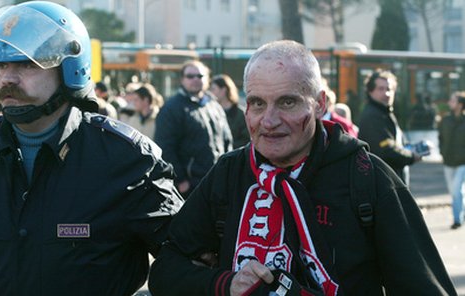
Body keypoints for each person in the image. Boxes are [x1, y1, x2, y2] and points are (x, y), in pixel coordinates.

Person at [148, 40, 456, 295]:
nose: (268, 121)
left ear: (320, 104)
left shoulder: (368, 179)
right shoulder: (229, 173)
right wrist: (226, 284)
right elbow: (165, 270)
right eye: (257, 103)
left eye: (287, 102)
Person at [0, 2, 183, 295]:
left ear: (71, 69)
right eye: (2, 65)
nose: (7, 78)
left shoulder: (127, 160)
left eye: (27, 64)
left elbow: (189, 260)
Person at [154, 60, 233, 198]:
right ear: (182, 79)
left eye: (200, 76)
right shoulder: (172, 108)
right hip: (190, 187)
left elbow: (227, 141)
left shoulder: (213, 105)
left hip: (217, 183)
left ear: (207, 78)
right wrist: (181, 180)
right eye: (190, 76)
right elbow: (165, 147)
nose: (196, 79)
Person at [358, 69, 422, 186]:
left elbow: (398, 144)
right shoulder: (373, 115)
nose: (386, 93)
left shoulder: (384, 111)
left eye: (389, 89)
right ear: (370, 91)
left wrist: (413, 149)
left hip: (390, 179)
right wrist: (412, 156)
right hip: (383, 183)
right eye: (380, 89)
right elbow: (387, 151)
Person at [438, 91, 465, 229]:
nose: (450, 103)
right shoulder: (445, 120)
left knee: (456, 190)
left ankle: (457, 220)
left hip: (462, 162)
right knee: (454, 191)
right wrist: (442, 152)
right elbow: (440, 137)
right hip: (448, 161)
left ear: (460, 104)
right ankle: (461, 212)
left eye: (453, 101)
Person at [210, 74, 250, 148]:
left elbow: (246, 139)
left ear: (223, 90)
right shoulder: (212, 112)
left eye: (213, 89)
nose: (211, 93)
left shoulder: (241, 114)